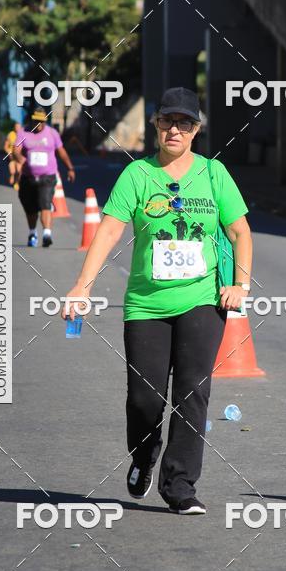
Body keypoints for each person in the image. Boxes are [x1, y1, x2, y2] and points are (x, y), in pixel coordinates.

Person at [62, 87, 253, 515]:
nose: (175, 129)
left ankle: (180, 484)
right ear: (156, 125)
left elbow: (240, 231)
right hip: (146, 305)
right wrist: (82, 286)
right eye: (168, 121)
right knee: (144, 398)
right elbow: (109, 231)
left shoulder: (214, 175)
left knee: (192, 393)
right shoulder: (137, 175)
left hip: (202, 300)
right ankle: (145, 455)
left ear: (196, 130)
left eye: (184, 123)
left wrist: (240, 284)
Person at [14, 108, 75, 248]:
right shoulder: (23, 133)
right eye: (36, 121)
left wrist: (70, 168)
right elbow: (15, 151)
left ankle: (47, 234)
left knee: (45, 203)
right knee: (31, 209)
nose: (39, 124)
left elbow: (61, 152)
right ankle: (32, 232)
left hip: (47, 176)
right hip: (28, 177)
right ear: (32, 120)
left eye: (42, 121)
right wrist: (21, 159)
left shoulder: (52, 133)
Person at [4, 121, 22, 190]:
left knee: (19, 170)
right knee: (12, 170)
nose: (17, 128)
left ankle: (17, 182)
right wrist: (9, 152)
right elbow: (5, 146)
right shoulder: (10, 134)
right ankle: (12, 175)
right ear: (14, 127)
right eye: (16, 127)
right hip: (11, 156)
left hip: (19, 156)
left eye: (19, 127)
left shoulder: (23, 135)